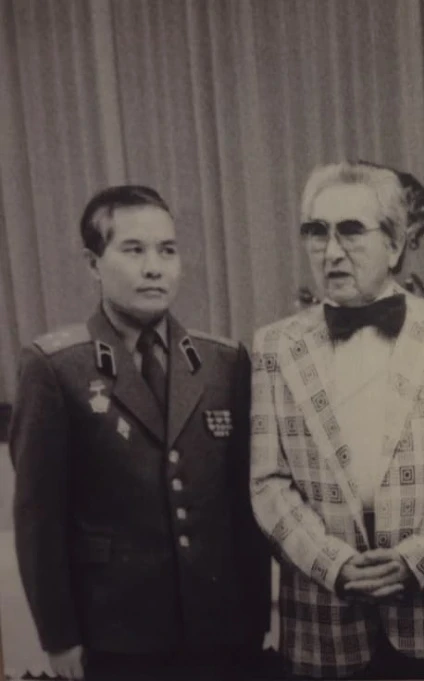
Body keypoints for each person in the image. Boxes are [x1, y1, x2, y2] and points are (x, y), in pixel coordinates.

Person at [10, 185, 272, 681]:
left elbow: (243, 507)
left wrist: (255, 616)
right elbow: (38, 520)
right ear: (93, 264)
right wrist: (59, 636)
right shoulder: (57, 368)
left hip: (220, 631)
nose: (155, 268)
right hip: (115, 634)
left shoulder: (223, 362)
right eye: (133, 250)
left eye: (167, 250)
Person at [249, 162, 424, 679]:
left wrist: (417, 559)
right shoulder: (275, 346)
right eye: (317, 232)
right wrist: (332, 564)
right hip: (323, 622)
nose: (331, 251)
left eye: (351, 231)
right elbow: (268, 482)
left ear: (395, 245)